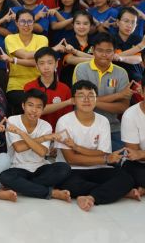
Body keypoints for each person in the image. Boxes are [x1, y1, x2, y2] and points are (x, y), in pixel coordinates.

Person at [55, 80, 137, 211]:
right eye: (81, 96)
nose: (86, 99)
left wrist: (77, 148)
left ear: (96, 99)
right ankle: (114, 192)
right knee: (68, 183)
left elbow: (102, 152)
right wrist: (105, 159)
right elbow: (71, 159)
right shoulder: (64, 121)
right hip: (72, 170)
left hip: (98, 167)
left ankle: (91, 197)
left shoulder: (103, 121)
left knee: (126, 178)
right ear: (73, 100)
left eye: (91, 96)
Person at [0, 89, 71, 201]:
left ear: (43, 109)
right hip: (17, 167)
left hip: (40, 168)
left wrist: (22, 133)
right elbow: (19, 148)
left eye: (38, 107)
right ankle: (50, 192)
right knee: (5, 177)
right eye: (30, 105)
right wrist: (44, 138)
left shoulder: (46, 126)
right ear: (23, 106)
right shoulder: (13, 121)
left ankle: (24, 186)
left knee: (64, 168)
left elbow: (42, 152)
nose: (34, 110)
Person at [72, 33, 131, 151]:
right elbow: (81, 102)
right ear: (93, 50)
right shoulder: (81, 68)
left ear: (114, 52)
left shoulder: (121, 73)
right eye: (100, 50)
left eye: (109, 51)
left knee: (121, 157)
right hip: (83, 125)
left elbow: (123, 107)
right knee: (83, 157)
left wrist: (91, 101)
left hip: (112, 127)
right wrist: (118, 95)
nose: (104, 55)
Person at [5, 9, 49, 114]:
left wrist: (14, 60)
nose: (26, 25)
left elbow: (37, 63)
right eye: (22, 21)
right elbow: (24, 55)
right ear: (16, 23)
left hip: (39, 82)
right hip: (16, 84)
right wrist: (50, 50)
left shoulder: (42, 39)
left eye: (29, 21)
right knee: (25, 106)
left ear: (34, 22)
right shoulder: (10, 38)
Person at [24, 47, 73, 130]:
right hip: (35, 133)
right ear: (37, 66)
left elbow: (68, 117)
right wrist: (67, 102)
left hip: (58, 133)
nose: (46, 67)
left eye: (50, 63)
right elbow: (36, 111)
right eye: (42, 63)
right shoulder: (29, 87)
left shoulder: (65, 89)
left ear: (56, 64)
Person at [111, 7, 145, 82]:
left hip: (135, 77)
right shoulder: (109, 39)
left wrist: (121, 58)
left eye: (133, 22)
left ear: (136, 25)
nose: (129, 25)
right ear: (118, 22)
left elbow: (139, 58)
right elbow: (111, 57)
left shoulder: (139, 40)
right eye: (126, 21)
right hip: (113, 76)